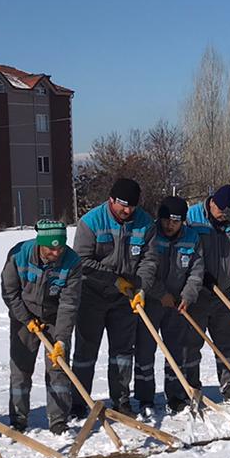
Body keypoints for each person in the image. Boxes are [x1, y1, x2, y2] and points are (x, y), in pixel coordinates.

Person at [71, 177, 154, 415]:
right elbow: (82, 261)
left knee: (122, 352)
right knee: (86, 351)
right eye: (122, 205)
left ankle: (121, 400)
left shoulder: (145, 223)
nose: (127, 211)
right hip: (92, 295)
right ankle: (79, 401)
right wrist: (112, 279)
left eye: (131, 207)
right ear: (111, 200)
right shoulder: (91, 222)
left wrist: (141, 287)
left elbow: (149, 260)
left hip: (125, 297)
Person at [0, 218, 84, 433]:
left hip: (55, 318)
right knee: (21, 369)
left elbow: (69, 303)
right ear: (40, 243)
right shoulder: (18, 255)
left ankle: (58, 421)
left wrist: (62, 339)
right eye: (50, 249)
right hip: (23, 317)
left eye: (60, 248)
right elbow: (10, 293)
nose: (56, 254)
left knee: (58, 369)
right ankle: (18, 419)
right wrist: (26, 319)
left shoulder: (72, 261)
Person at [136, 196, 205, 415]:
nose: (169, 225)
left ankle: (175, 396)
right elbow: (143, 270)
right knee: (145, 351)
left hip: (177, 304)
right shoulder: (151, 235)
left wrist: (188, 296)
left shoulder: (192, 238)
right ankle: (145, 398)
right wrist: (159, 293)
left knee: (176, 351)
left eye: (175, 221)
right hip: (151, 302)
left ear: (183, 221)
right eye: (166, 220)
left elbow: (196, 271)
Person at [184, 185, 230, 403]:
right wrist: (200, 279)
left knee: (228, 343)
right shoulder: (192, 217)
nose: (223, 213)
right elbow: (184, 249)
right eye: (220, 208)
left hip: (224, 292)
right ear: (211, 202)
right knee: (191, 344)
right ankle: (191, 387)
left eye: (228, 210)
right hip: (198, 291)